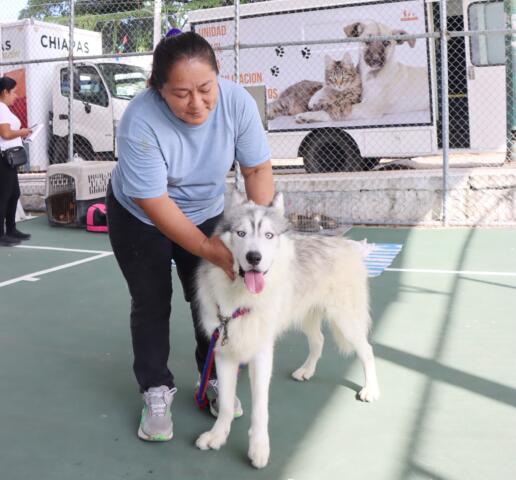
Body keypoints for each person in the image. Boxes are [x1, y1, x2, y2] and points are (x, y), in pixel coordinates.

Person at [106, 31, 274, 442]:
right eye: (181, 94)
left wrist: (257, 230)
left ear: (219, 77)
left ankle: (214, 378)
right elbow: (155, 201)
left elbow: (255, 170)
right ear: (158, 89)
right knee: (151, 299)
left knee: (212, 298)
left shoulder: (237, 102)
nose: (197, 103)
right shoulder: (139, 121)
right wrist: (205, 248)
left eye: (205, 88)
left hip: (206, 210)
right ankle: (155, 389)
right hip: (140, 214)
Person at [0, 76, 32, 247]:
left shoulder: (5, 108)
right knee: (4, 196)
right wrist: (22, 132)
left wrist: (22, 133)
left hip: (9, 159)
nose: (16, 96)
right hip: (3, 159)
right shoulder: (1, 108)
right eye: (13, 92)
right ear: (4, 92)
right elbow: (5, 134)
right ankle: (2, 233)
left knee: (13, 194)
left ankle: (11, 229)